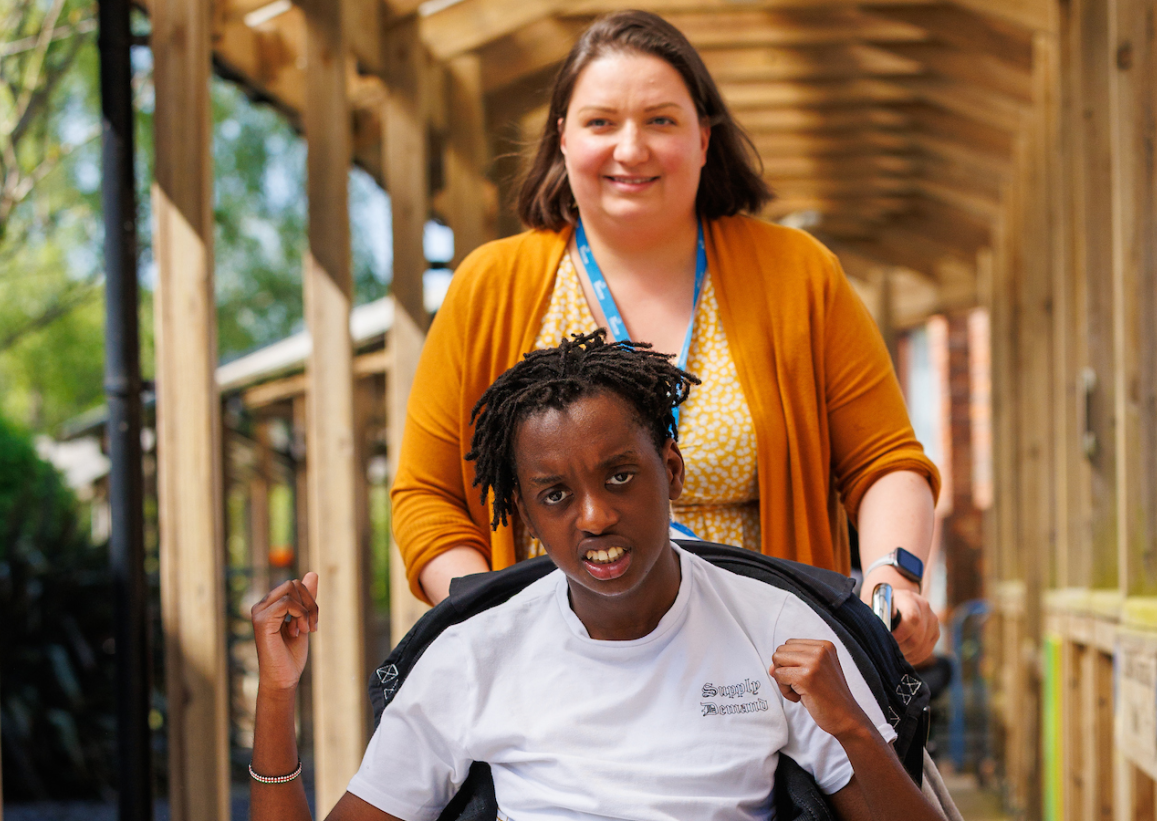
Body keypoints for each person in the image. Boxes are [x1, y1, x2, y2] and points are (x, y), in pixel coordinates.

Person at [391, 10, 942, 664]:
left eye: (661, 120)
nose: (631, 149)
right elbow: (427, 497)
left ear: (705, 139)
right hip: (554, 680)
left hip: (766, 678)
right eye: (601, 122)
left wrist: (892, 574)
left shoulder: (799, 273)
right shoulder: (490, 286)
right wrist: (498, 615)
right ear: (563, 136)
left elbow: (884, 462)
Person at [248, 334, 945, 821]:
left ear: (669, 471)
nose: (594, 515)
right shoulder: (473, 656)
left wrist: (850, 725)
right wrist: (278, 695)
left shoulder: (777, 628)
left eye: (620, 475)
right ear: (522, 512)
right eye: (555, 494)